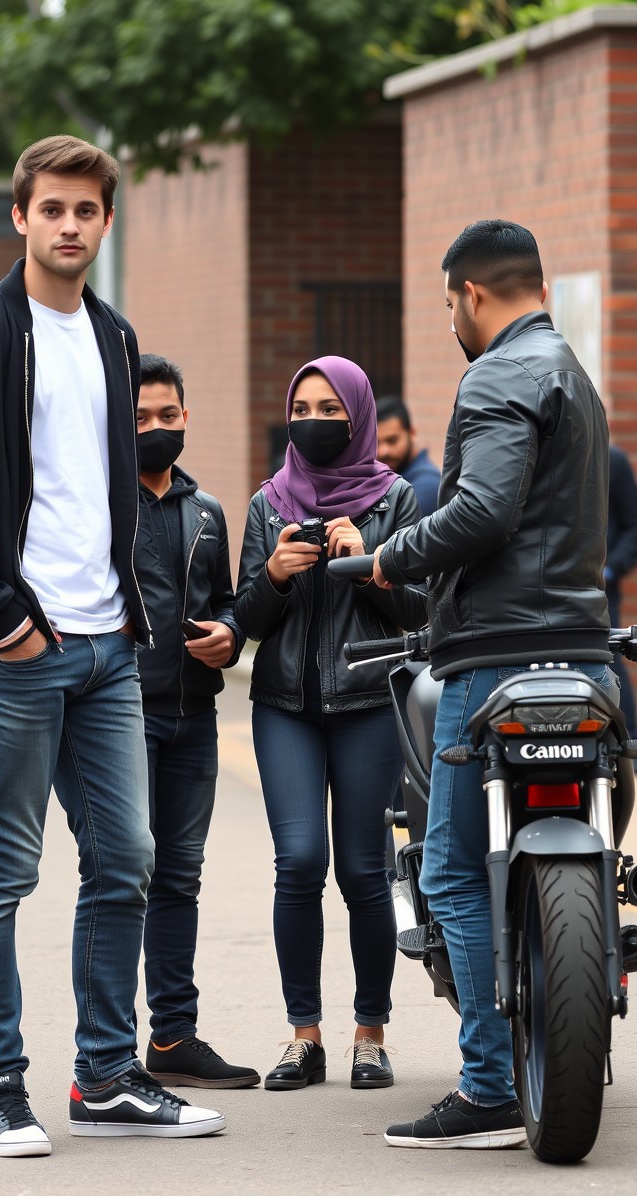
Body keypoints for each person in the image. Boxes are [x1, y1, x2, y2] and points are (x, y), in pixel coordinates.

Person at [0, 135, 225, 1157]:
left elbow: (104, 494)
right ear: (22, 217)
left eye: (87, 210)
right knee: (2, 866)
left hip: (107, 648)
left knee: (127, 857)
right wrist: (6, 620)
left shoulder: (117, 339)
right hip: (15, 654)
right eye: (53, 209)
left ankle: (106, 1072)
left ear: (106, 222)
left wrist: (123, 611)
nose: (70, 225)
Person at [372, 219, 615, 1149]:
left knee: (450, 870)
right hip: (582, 653)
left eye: (447, 305)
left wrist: (395, 556)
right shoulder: (572, 374)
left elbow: (482, 510)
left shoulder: (500, 372)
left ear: (473, 293)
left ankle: (485, 1086)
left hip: (497, 655)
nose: (451, 324)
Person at [234, 355, 424, 1091]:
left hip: (370, 705)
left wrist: (370, 562)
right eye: (302, 407)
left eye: (329, 409)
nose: (313, 420)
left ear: (359, 415)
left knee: (363, 871)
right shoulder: (267, 504)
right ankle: (303, 1034)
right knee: (300, 862)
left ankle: (369, 1034)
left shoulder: (396, 501)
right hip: (285, 708)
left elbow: (421, 613)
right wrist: (274, 576)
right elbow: (246, 621)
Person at [132, 353, 259, 1089]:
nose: (155, 428)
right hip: (122, 716)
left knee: (181, 876)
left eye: (166, 415)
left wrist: (233, 635)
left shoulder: (207, 511)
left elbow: (232, 601)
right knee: (124, 874)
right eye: (140, 418)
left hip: (194, 720)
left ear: (187, 417)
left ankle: (173, 1039)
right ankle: (111, 1049)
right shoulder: (101, 503)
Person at [606, 443, 637, 767]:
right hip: (562, 581)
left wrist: (612, 567)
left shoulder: (614, 462)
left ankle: (632, 742)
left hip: (600, 584)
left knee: (612, 653)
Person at [375, 396, 441, 516]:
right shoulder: (391, 478)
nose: (383, 451)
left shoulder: (428, 484)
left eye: (392, 440)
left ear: (412, 433)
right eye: (376, 443)